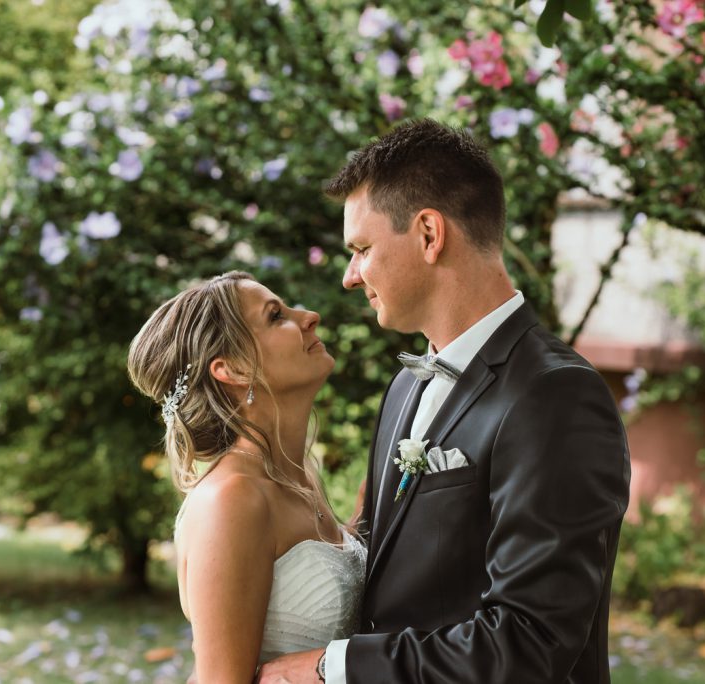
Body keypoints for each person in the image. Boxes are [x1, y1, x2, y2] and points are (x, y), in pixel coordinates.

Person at [258, 119, 631, 683]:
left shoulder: (554, 395)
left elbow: (531, 640)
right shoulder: (405, 386)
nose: (349, 277)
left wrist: (334, 668)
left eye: (361, 249)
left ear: (430, 234)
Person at [126, 271, 366, 683]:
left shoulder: (298, 477)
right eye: (276, 316)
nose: (310, 317)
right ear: (233, 369)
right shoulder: (232, 499)